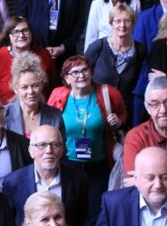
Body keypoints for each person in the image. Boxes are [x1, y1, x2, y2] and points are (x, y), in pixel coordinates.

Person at [49, 56, 127, 197]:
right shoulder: (57, 95)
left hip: (99, 163)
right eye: (75, 72)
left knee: (95, 207)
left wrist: (119, 121)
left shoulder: (108, 93)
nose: (81, 75)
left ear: (91, 73)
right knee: (71, 205)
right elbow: (49, 122)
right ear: (67, 78)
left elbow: (123, 113)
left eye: (85, 70)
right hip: (68, 163)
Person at [2, 124, 93, 226]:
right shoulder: (12, 182)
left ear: (62, 150)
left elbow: (83, 219)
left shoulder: (79, 180)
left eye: (55, 145)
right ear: (31, 151)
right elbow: (9, 225)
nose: (49, 150)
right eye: (42, 145)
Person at [85, 3, 147, 110]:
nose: (122, 25)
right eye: (118, 21)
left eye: (127, 21)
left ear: (133, 24)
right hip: (96, 106)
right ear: (111, 23)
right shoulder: (98, 46)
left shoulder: (140, 49)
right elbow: (83, 72)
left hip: (126, 108)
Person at [0, 16, 56, 104]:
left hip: (40, 110)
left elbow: (54, 87)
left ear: (31, 33)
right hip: (6, 114)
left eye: (25, 31)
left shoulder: (44, 54)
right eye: (15, 32)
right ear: (9, 36)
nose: (21, 35)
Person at [5, 52, 64, 138]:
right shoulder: (4, 114)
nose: (30, 91)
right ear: (15, 89)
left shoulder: (55, 115)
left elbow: (61, 148)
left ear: (41, 85)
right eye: (24, 87)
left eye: (35, 85)